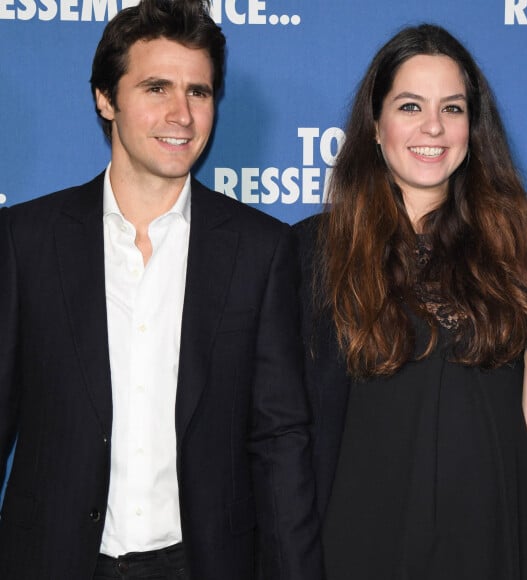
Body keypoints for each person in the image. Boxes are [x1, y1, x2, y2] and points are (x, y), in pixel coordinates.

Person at [0, 1, 323, 578]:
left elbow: (280, 440)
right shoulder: (25, 241)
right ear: (106, 97)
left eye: (198, 92)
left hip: (202, 564)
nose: (182, 114)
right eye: (156, 88)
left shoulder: (261, 249)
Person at [294, 23, 527, 580]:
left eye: (452, 108)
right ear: (375, 127)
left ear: (474, 126)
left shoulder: (520, 240)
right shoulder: (314, 251)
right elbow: (288, 433)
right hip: (361, 546)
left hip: (494, 542)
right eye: (409, 105)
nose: (433, 126)